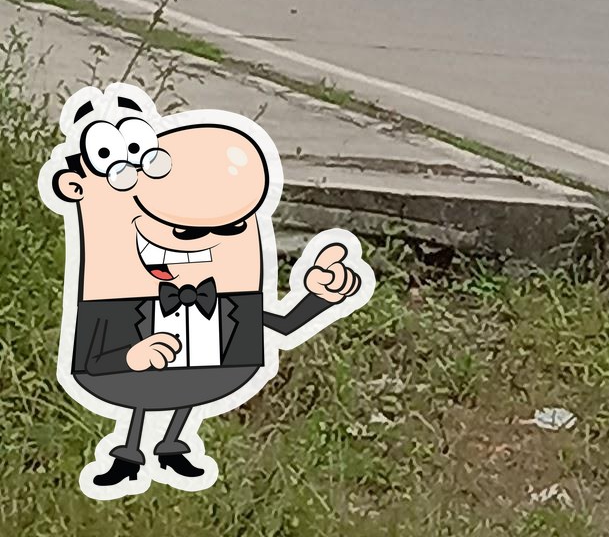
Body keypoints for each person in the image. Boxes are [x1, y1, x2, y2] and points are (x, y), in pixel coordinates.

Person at [43, 83, 371, 498]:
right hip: (133, 377)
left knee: (187, 387)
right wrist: (132, 354)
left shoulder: (229, 299)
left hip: (206, 375)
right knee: (145, 391)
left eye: (231, 227)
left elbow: (285, 326)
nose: (196, 241)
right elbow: (92, 359)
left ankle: (172, 445)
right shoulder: (112, 300)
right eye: (182, 230)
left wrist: (319, 296)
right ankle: (128, 456)